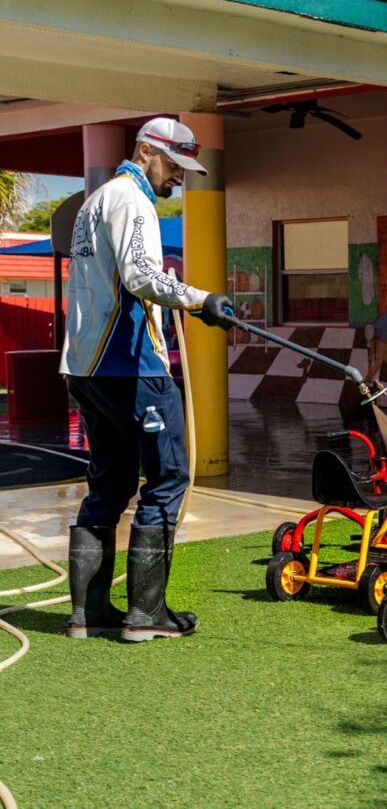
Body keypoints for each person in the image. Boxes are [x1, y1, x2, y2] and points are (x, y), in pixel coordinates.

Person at [59, 117, 233, 642]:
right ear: (147, 151)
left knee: (108, 485)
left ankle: (87, 615)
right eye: (174, 167)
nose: (178, 179)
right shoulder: (133, 200)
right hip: (131, 366)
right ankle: (145, 615)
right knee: (168, 478)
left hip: (84, 368)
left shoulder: (95, 199)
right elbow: (139, 275)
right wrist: (201, 300)